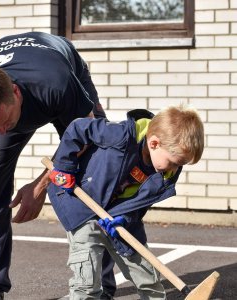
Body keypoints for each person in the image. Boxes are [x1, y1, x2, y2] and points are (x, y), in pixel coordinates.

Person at [0, 31, 116, 300]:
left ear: (16, 93)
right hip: (16, 100)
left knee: (95, 170)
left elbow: (85, 138)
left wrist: (41, 186)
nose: (2, 133)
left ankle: (99, 285)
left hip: (63, 72)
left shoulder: (57, 83)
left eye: (4, 123)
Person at [48, 105, 204, 299]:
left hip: (120, 216)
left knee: (145, 271)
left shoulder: (166, 173)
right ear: (154, 143)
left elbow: (139, 204)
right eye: (174, 162)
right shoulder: (121, 135)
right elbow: (78, 128)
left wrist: (125, 218)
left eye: (180, 165)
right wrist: (64, 166)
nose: (174, 169)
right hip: (82, 205)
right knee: (86, 280)